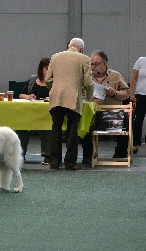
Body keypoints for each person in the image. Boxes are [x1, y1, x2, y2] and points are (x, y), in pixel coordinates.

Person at [46, 38, 94, 170]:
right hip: (73, 98)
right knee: (72, 132)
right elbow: (88, 83)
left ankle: (54, 162)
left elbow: (48, 79)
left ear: (69, 46)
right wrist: (89, 97)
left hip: (56, 97)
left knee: (55, 130)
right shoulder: (84, 59)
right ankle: (70, 162)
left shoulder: (55, 57)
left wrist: (54, 90)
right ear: (81, 49)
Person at [79, 50, 130, 165]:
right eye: (91, 64)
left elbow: (126, 93)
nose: (93, 67)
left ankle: (120, 152)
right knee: (80, 123)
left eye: (96, 64)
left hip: (112, 113)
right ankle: (89, 153)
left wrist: (114, 93)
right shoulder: (87, 78)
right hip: (91, 113)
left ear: (104, 64)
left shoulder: (115, 76)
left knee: (126, 119)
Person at [17, 57, 51, 165]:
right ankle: (21, 155)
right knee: (23, 129)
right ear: (41, 69)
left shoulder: (54, 82)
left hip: (46, 114)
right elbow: (20, 94)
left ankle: (48, 156)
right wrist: (28, 96)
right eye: (46, 68)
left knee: (47, 130)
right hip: (30, 113)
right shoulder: (32, 80)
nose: (48, 70)